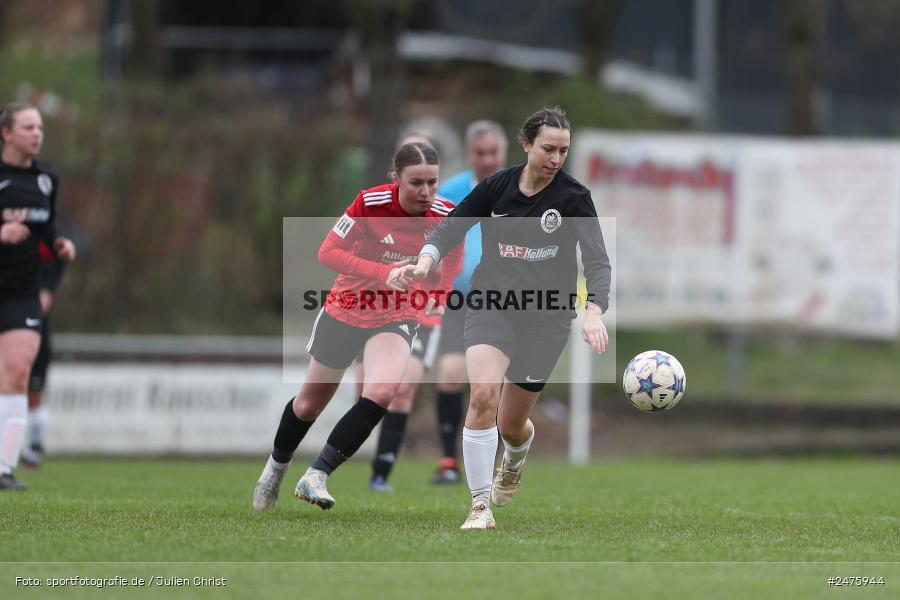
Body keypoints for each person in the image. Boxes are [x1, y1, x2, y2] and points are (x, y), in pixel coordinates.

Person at [396, 107, 611, 529]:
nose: (555, 158)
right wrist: (425, 261)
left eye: (563, 151)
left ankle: (515, 454)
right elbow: (452, 226)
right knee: (482, 396)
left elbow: (597, 261)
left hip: (547, 317)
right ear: (527, 144)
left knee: (511, 424)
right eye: (548, 148)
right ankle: (479, 507)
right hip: (491, 305)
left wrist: (594, 311)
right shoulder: (496, 187)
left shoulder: (574, 198)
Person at [252, 141, 461, 511]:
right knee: (308, 405)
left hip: (398, 312)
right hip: (348, 308)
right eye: (416, 183)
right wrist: (383, 272)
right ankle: (276, 468)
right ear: (396, 178)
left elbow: (454, 251)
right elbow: (327, 252)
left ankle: (317, 474)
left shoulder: (445, 213)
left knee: (382, 391)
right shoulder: (370, 203)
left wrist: (439, 294)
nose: (426, 192)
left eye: (432, 182)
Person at [0, 102, 76, 490]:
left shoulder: (47, 178)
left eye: (40, 127)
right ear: (6, 133)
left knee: (17, 374)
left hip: (22, 292)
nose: (36, 133)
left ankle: (3, 468)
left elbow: (48, 224)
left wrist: (59, 242)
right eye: (28, 126)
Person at [429, 119, 507, 485]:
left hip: (504, 302)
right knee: (450, 373)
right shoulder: (451, 191)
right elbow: (436, 238)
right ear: (469, 154)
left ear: (503, 153)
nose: (487, 159)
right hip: (457, 301)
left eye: (493, 152)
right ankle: (448, 461)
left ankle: (499, 462)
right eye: (480, 153)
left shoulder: (520, 190)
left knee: (492, 385)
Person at [21, 244, 67, 468]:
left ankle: (35, 447)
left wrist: (48, 289)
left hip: (35, 333)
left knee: (34, 392)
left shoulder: (47, 249)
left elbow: (61, 255)